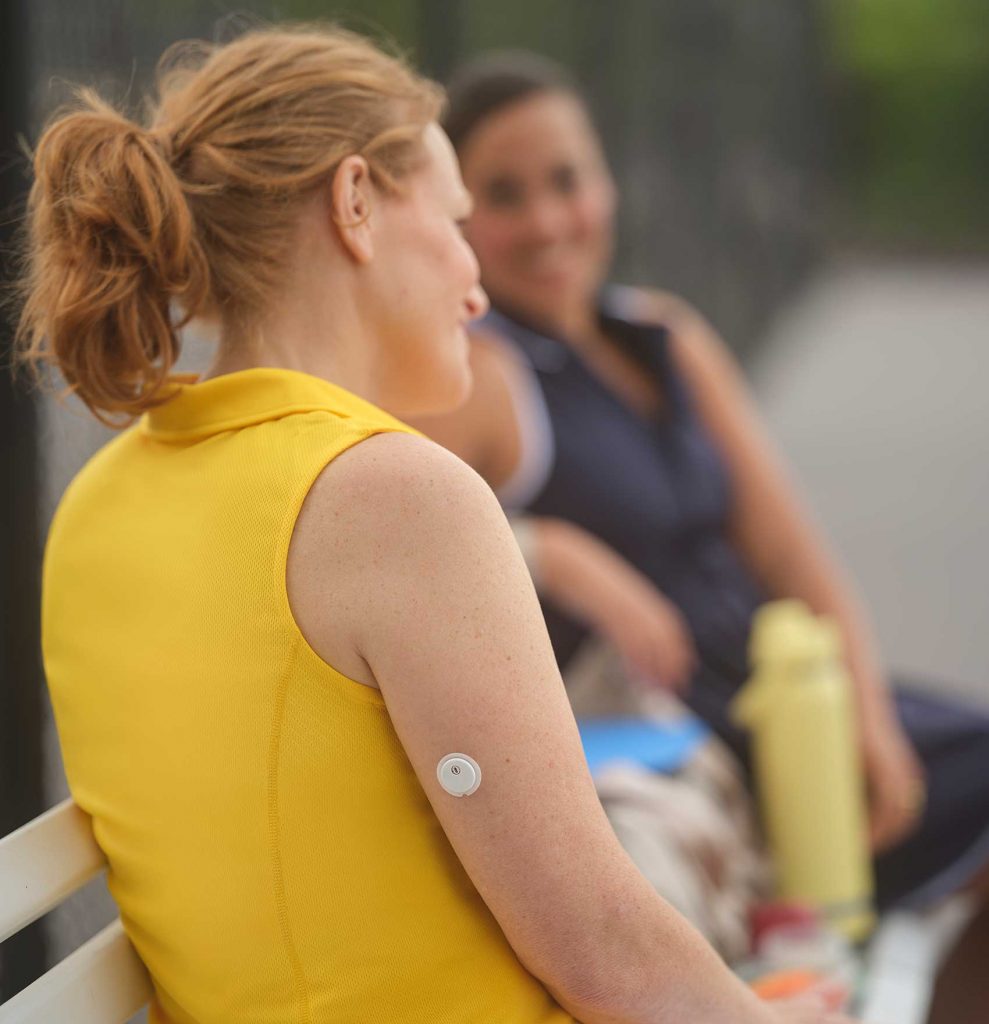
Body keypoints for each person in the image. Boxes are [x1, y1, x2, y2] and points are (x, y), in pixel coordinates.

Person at [14, 24, 850, 1024]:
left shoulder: (100, 502)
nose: (477, 275)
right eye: (456, 218)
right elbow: (603, 947)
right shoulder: (390, 492)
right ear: (356, 203)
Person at [413, 51, 989, 923]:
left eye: (566, 180)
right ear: (458, 219)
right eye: (502, 195)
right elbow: (386, 540)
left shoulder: (661, 331)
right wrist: (552, 552)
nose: (546, 221)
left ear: (606, 183)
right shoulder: (484, 376)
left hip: (792, 702)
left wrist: (864, 712)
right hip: (678, 751)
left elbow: (791, 551)